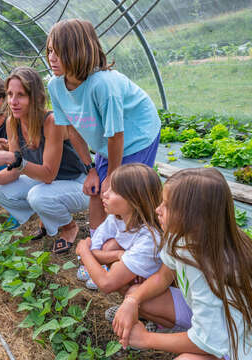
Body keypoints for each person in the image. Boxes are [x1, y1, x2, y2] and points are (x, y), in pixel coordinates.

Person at [112, 168, 252, 360]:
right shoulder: (183, 235)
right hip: (215, 323)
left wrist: (146, 339)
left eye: (167, 206)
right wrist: (132, 301)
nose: (157, 210)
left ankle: (181, 340)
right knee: (138, 294)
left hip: (243, 349)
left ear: (192, 216)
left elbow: (208, 342)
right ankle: (180, 335)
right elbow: (163, 276)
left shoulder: (209, 265)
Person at [46, 18, 161, 236]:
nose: (51, 58)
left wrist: (112, 175)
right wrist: (90, 170)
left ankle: (141, 243)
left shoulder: (103, 84)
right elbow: (71, 130)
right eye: (50, 50)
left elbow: (116, 136)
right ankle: (98, 251)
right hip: (108, 141)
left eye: (59, 52)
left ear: (78, 50)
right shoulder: (55, 85)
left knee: (123, 196)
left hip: (137, 135)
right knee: (97, 191)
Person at [0, 67, 89, 254]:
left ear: (36, 97)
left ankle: (69, 227)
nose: (13, 102)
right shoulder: (13, 122)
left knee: (38, 196)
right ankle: (46, 216)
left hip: (76, 184)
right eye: (10, 94)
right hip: (48, 183)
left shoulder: (51, 121)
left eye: (21, 95)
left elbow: (48, 175)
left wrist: (14, 159)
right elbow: (13, 171)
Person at [75, 164, 163, 293]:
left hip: (150, 287)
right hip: (128, 266)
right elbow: (93, 249)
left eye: (114, 191)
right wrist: (117, 254)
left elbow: (105, 283)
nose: (105, 194)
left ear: (135, 200)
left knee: (131, 290)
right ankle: (108, 272)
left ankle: (135, 306)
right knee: (109, 246)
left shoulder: (150, 237)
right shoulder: (115, 218)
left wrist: (84, 250)